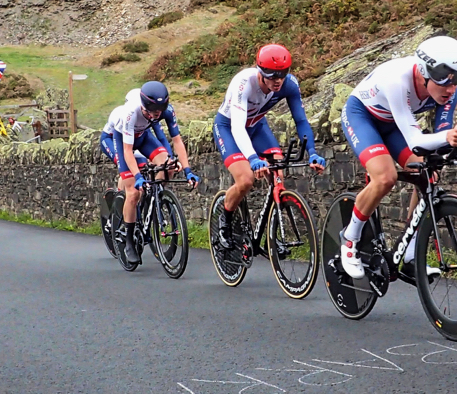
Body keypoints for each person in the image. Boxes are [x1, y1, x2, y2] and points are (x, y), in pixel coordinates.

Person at [337, 36, 457, 283]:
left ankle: (409, 253)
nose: (451, 89)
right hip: (362, 116)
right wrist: (449, 136)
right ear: (424, 74)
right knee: (385, 177)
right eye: (445, 82)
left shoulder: (449, 89)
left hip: (394, 124)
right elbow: (416, 140)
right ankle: (350, 236)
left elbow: (441, 143)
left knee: (427, 173)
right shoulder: (398, 80)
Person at [212, 44, 326, 248]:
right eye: (272, 76)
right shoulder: (243, 84)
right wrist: (253, 159)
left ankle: (272, 234)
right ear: (261, 73)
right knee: (246, 180)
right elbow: (238, 127)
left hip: (257, 127)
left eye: (282, 75)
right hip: (229, 128)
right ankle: (225, 220)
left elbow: (301, 121)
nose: (278, 81)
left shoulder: (289, 85)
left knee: (278, 176)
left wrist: (312, 152)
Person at [100, 81, 197, 267]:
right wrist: (137, 177)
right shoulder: (130, 114)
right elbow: (127, 152)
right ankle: (129, 240)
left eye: (160, 110)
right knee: (134, 190)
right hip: (117, 140)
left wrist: (186, 169)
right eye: (152, 110)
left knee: (168, 166)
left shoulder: (166, 111)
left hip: (142, 137)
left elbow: (176, 140)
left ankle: (154, 200)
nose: (156, 114)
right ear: (143, 105)